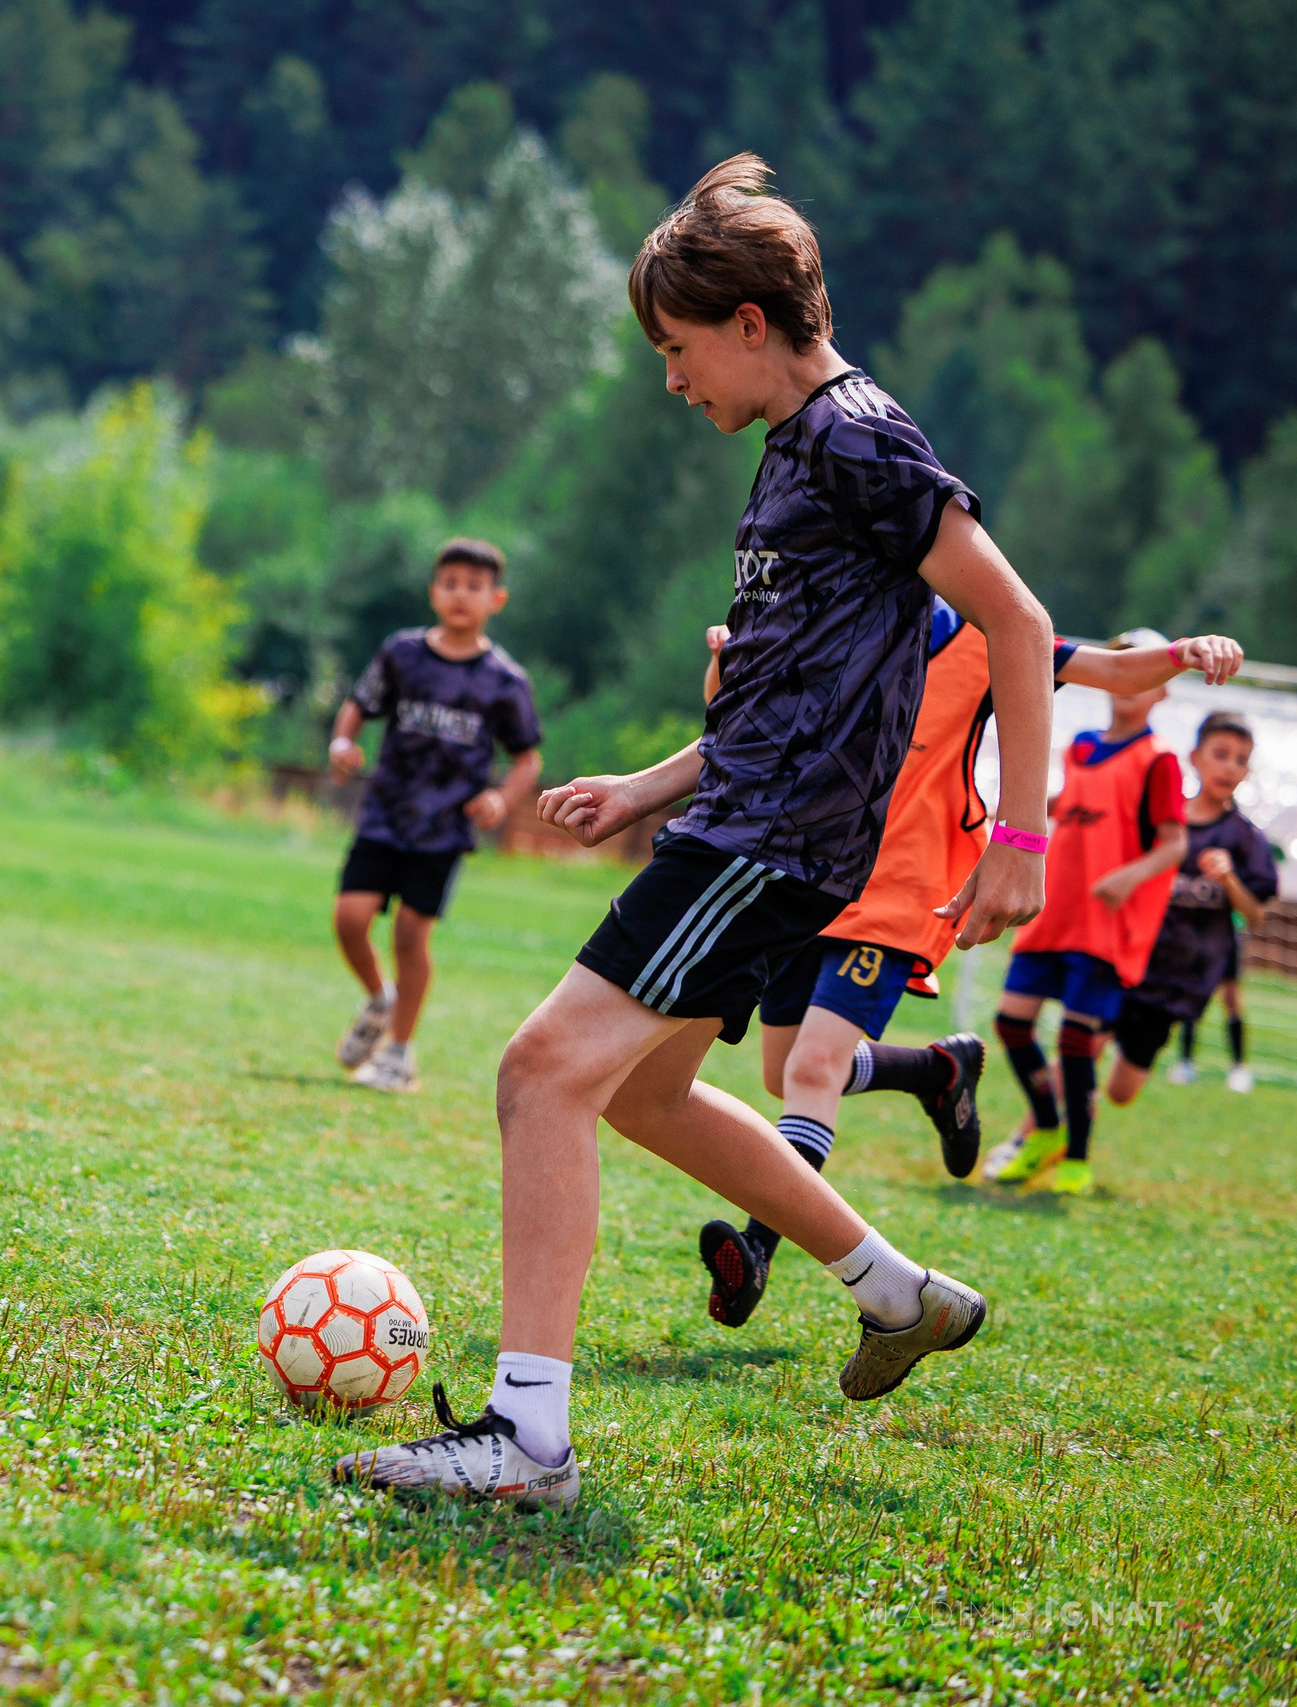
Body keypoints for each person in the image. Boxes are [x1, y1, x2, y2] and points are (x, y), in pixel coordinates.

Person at [333, 155, 1054, 1509]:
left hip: (773, 842)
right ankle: (892, 1289)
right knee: (647, 1091)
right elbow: (796, 690)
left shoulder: (862, 437)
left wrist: (1025, 829)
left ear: (751, 323)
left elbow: (1016, 621)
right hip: (739, 815)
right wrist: (651, 785)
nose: (672, 379)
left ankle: (526, 1435)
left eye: (677, 348)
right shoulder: (797, 446)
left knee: (540, 1072)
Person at [694, 613, 1246, 1325]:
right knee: (785, 1072)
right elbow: (730, 714)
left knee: (809, 1073)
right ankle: (937, 1072)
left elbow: (1111, 670)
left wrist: (1181, 652)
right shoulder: (836, 625)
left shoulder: (984, 639)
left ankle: (758, 1245)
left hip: (904, 887)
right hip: (813, 874)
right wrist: (724, 659)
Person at [327, 540, 543, 1093]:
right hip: (385, 814)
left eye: (474, 586)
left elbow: (527, 758)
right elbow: (359, 705)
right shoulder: (401, 654)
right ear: (433, 592)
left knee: (409, 936)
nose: (460, 595)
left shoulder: (504, 680)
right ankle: (380, 998)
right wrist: (342, 742)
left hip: (443, 828)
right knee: (350, 918)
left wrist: (501, 798)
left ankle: (398, 1052)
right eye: (450, 583)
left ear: (497, 599)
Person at [983, 632, 1192, 1195]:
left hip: (1103, 923)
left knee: (1077, 1041)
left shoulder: (1160, 759)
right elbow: (1072, 805)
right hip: (1053, 911)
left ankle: (1077, 1157)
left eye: (1140, 667)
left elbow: (1173, 843)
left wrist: (1128, 876)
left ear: (1161, 690)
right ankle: (1047, 1130)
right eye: (1118, 661)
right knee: (1010, 1022)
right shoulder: (1079, 746)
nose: (1128, 681)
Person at [1110, 711, 1278, 1103]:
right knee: (1080, 1050)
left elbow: (1255, 915)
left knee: (1120, 1092)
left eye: (1240, 759)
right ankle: (1048, 1136)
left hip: (1176, 984)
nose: (1230, 767)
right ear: (1195, 757)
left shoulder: (1245, 839)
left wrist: (1229, 880)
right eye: (1221, 754)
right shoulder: (1162, 821)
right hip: (1126, 961)